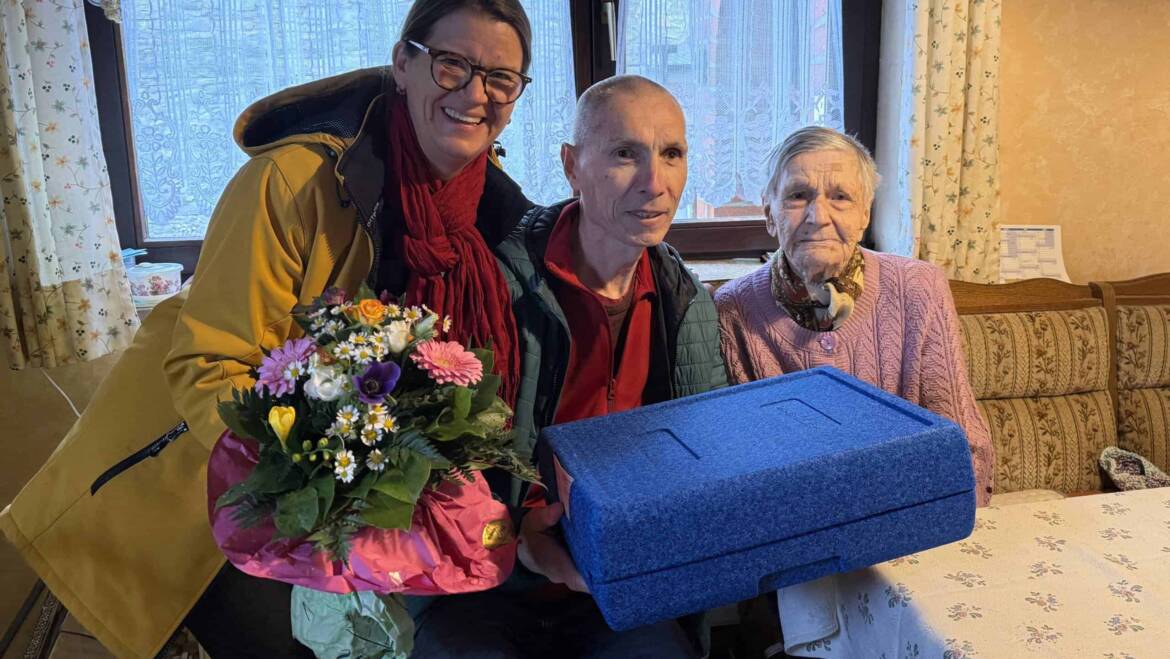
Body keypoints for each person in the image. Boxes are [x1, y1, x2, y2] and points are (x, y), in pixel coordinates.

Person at [0, 1, 536, 657]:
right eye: (453, 65)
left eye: (501, 79)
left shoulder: (490, 212)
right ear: (404, 62)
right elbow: (210, 369)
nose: (476, 94)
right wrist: (326, 502)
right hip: (207, 489)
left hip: (375, 498)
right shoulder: (291, 183)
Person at [408, 75, 727, 658]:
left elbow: (702, 460)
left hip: (615, 586)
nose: (655, 184)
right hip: (488, 579)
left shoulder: (687, 303)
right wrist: (520, 531)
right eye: (625, 154)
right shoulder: (497, 287)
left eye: (672, 154)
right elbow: (437, 453)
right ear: (572, 167)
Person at [714, 126, 994, 505]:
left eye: (840, 197)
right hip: (798, 531)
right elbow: (745, 465)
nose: (818, 216)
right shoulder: (734, 307)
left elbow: (961, 444)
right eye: (798, 196)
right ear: (769, 212)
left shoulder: (918, 288)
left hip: (912, 519)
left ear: (864, 213)